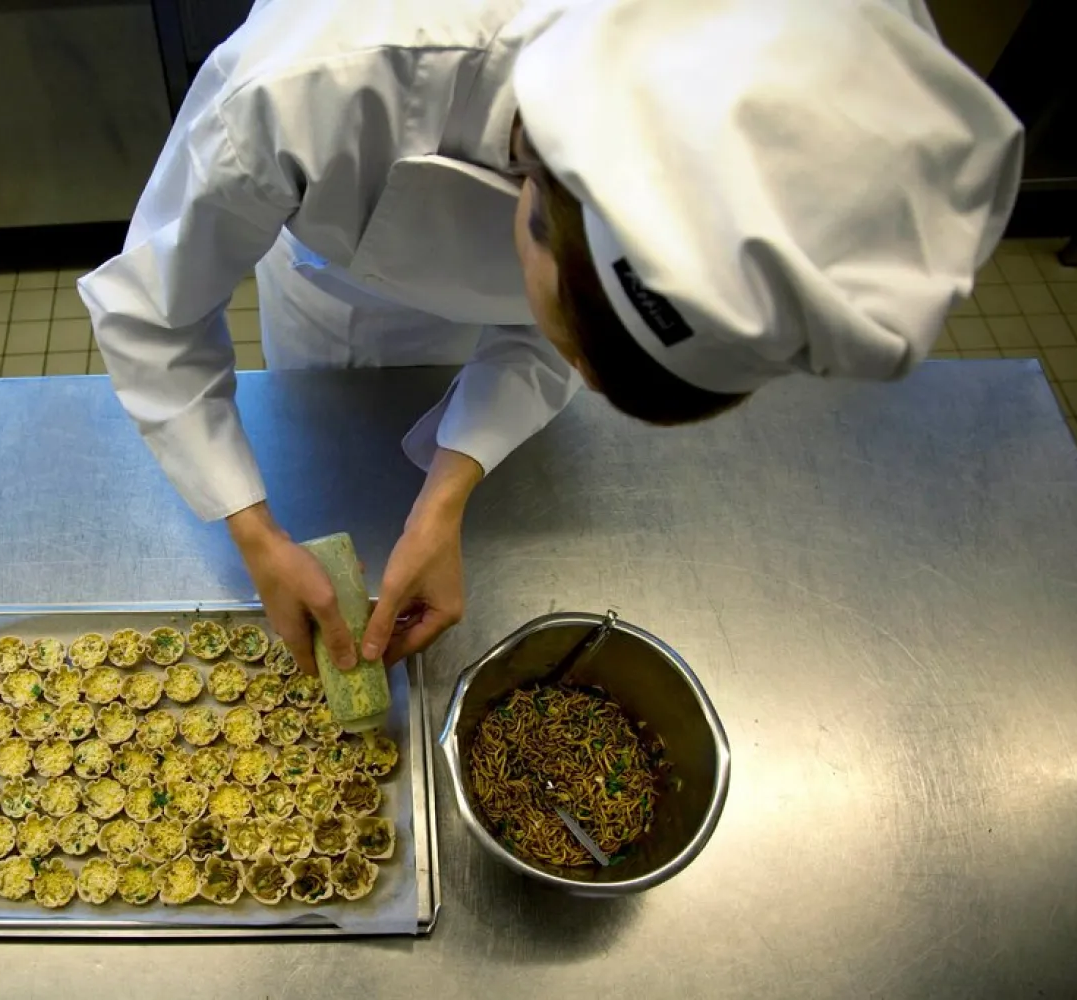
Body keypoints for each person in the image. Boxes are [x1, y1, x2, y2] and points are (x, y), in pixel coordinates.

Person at [78, 0, 1022, 674]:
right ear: (538, 193)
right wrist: (253, 530)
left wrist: (444, 499)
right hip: (343, 293)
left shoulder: (748, 83)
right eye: (566, 330)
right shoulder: (316, 77)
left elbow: (550, 339)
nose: (557, 351)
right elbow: (150, 307)